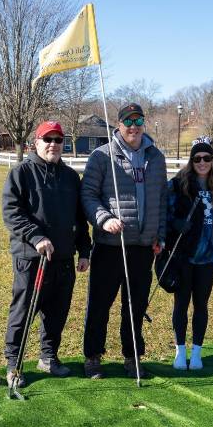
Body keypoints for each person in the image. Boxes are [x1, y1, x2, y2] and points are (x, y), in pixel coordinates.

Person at [81, 103, 167, 379]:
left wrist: (160, 235)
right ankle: (93, 356)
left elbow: (162, 201)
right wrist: (104, 218)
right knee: (99, 305)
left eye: (138, 120)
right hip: (110, 245)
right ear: (118, 125)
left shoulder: (156, 158)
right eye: (127, 121)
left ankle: (132, 357)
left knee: (136, 305)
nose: (133, 126)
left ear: (144, 123)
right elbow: (88, 196)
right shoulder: (102, 156)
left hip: (143, 247)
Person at [2, 120, 91, 387]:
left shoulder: (70, 176)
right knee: (24, 311)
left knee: (57, 311)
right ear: (36, 142)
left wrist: (84, 250)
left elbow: (80, 217)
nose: (53, 144)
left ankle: (48, 356)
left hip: (63, 258)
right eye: (47, 139)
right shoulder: (21, 173)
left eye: (58, 140)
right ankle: (14, 363)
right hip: (32, 258)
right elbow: (12, 212)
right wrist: (36, 236)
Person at [166, 136, 213, 370]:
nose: (202, 162)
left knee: (201, 304)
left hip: (209, 257)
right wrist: (176, 224)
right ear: (191, 161)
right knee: (181, 303)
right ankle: (180, 352)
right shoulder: (178, 184)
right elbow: (165, 213)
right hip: (184, 255)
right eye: (197, 159)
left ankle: (197, 353)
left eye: (207, 158)